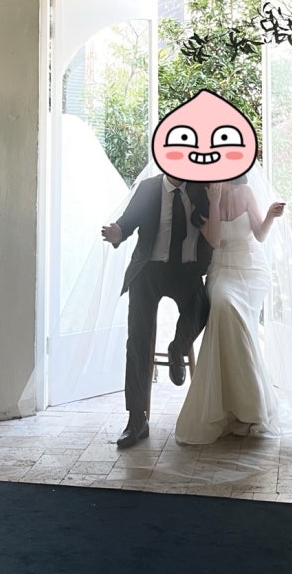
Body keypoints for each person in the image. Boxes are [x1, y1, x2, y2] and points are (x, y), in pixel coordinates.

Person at [102, 173, 212, 449]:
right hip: (148, 270)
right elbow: (127, 223)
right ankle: (136, 419)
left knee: (202, 305)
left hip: (186, 270)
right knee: (137, 341)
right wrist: (117, 233)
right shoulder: (149, 188)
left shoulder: (200, 188)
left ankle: (177, 349)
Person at [174, 175, 285, 444]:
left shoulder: (245, 191)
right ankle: (234, 406)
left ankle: (251, 408)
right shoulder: (201, 201)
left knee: (240, 324)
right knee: (224, 305)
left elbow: (260, 235)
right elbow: (214, 240)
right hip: (222, 271)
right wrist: (213, 202)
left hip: (251, 270)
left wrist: (270, 215)